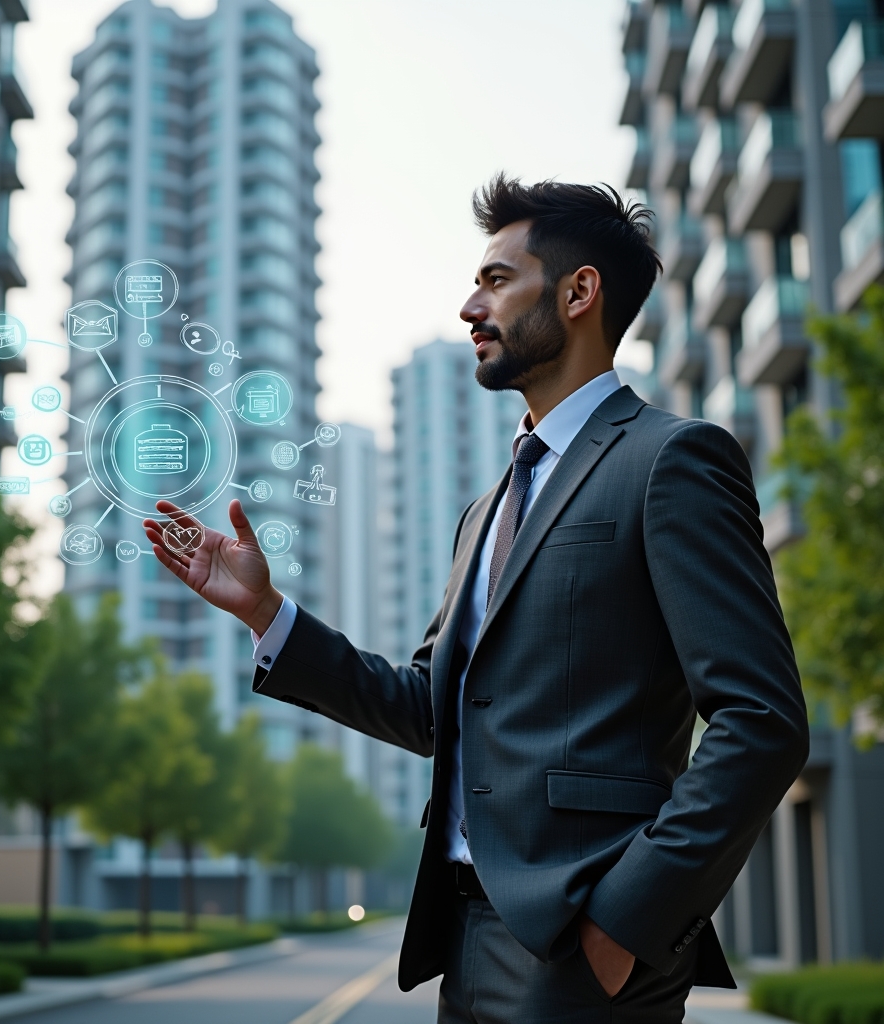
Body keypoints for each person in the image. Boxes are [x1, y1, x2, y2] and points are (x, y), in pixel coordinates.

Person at [143, 176, 809, 1024]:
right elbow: (434, 708)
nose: (469, 306)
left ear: (578, 293)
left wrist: (624, 919)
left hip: (579, 945)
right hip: (461, 936)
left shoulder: (672, 461)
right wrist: (267, 616)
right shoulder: (485, 510)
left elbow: (763, 721)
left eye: (496, 280)